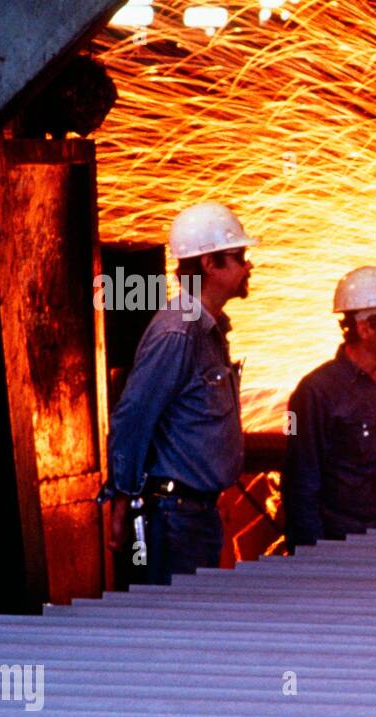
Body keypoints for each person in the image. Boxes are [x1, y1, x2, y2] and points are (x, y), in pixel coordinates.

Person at [98, 202, 257, 584]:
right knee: (176, 631)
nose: (248, 266)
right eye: (239, 257)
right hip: (174, 520)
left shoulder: (209, 330)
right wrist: (121, 500)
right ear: (209, 264)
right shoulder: (178, 332)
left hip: (193, 516)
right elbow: (133, 416)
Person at [283, 266, 376, 550]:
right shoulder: (315, 392)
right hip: (347, 550)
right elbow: (300, 487)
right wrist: (312, 562)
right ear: (364, 328)